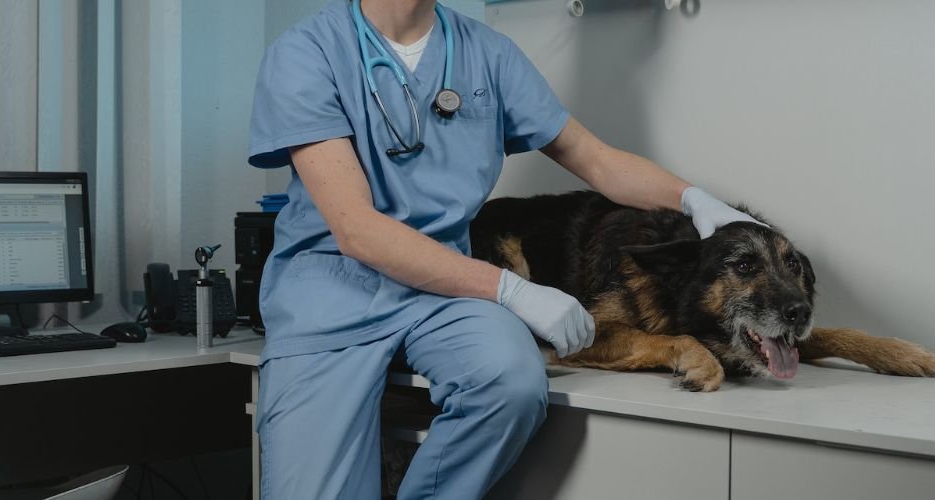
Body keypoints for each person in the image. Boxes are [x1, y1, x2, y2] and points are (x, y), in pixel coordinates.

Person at [247, 0, 760, 498]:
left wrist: (694, 200)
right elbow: (355, 229)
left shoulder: (486, 53)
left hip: (443, 292)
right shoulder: (307, 51)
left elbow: (596, 160)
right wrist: (512, 289)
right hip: (335, 291)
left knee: (511, 383)